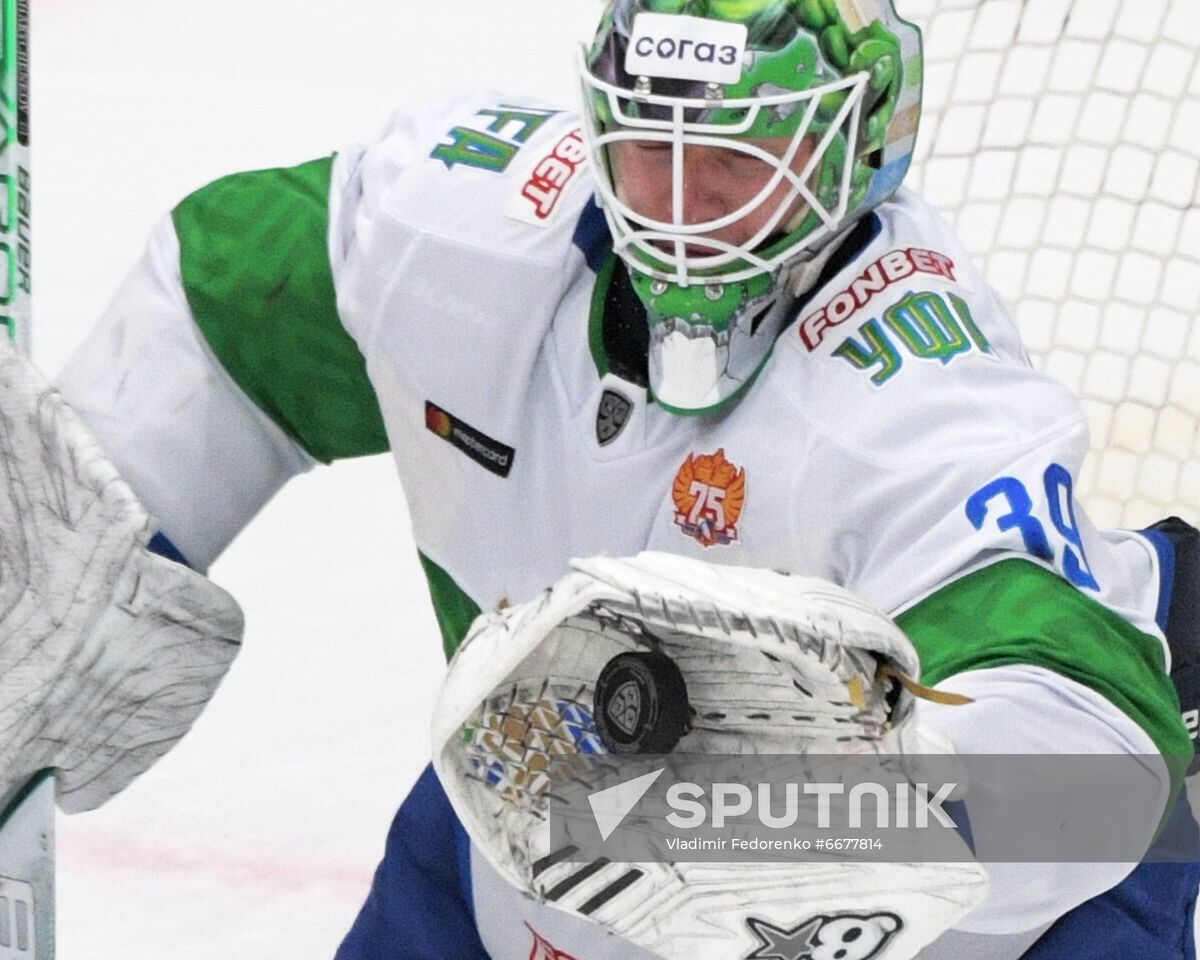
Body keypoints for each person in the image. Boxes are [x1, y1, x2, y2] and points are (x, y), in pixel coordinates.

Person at [51, 0, 1198, 956]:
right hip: (525, 818)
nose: (684, 211)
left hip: (1015, 920)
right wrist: (74, 542)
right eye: (657, 146)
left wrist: (744, 831)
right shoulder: (466, 240)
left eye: (740, 158)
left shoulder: (926, 408)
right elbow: (230, 297)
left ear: (858, 152)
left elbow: (1088, 781)